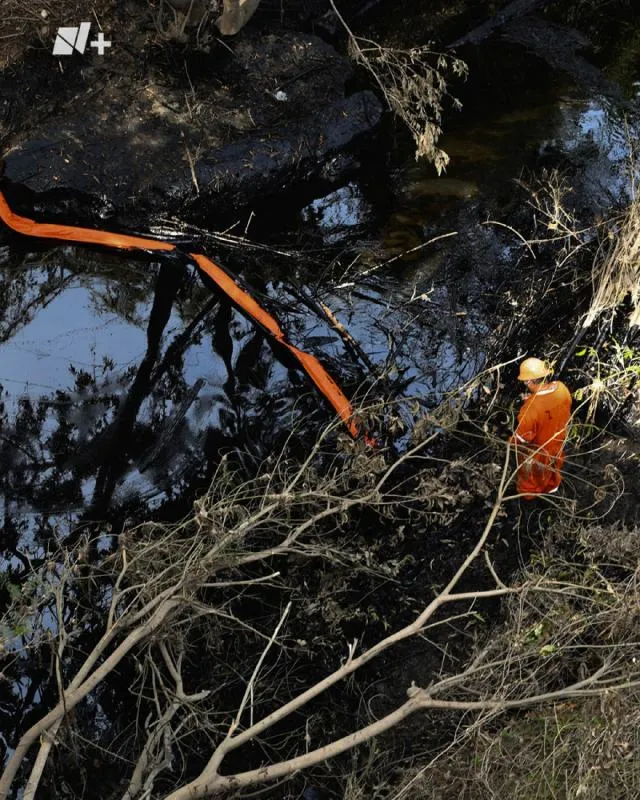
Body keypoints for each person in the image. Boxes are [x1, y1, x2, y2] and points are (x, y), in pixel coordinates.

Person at [510, 357, 572, 499]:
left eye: (525, 381)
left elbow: (521, 439)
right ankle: (551, 493)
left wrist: (509, 443)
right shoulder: (561, 388)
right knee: (553, 473)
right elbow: (557, 408)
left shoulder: (530, 409)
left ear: (529, 381)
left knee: (530, 481)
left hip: (539, 451)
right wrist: (533, 399)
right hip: (558, 443)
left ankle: (528, 501)